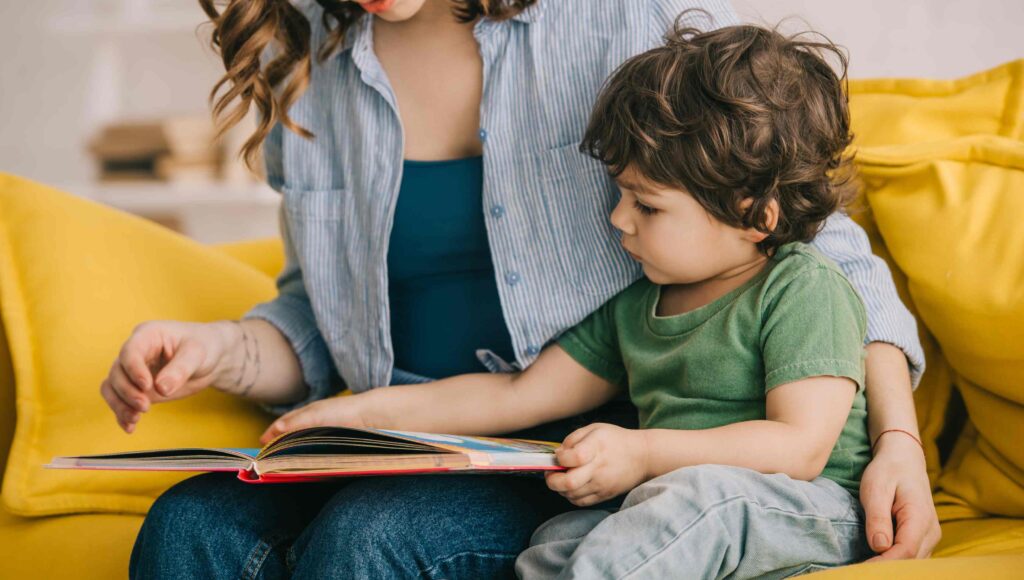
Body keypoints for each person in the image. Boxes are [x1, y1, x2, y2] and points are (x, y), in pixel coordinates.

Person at [105, 1, 938, 578]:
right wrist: (223, 350)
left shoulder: (625, 18)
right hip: (411, 432)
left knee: (375, 539)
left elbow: (809, 238)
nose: (621, 218)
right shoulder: (305, 54)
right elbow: (317, 315)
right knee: (189, 526)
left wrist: (897, 439)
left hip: (581, 447)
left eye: (639, 202)